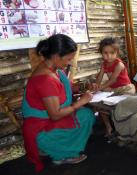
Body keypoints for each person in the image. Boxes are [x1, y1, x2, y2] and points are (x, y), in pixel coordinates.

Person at [21, 34, 96, 172]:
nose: (70, 63)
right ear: (56, 56)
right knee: (86, 116)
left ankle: (50, 147)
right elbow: (55, 115)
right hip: (40, 129)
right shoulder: (45, 79)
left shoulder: (52, 69)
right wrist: (81, 102)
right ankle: (61, 154)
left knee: (86, 114)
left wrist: (81, 88)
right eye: (68, 59)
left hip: (45, 120)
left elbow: (61, 88)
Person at [92, 37, 135, 139]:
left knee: (122, 108)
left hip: (126, 89)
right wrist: (96, 86)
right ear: (101, 53)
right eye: (105, 53)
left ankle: (126, 130)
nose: (109, 56)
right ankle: (108, 127)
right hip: (113, 89)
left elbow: (113, 80)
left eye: (112, 53)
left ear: (117, 53)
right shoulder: (104, 64)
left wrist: (100, 87)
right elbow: (100, 77)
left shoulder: (119, 64)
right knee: (101, 105)